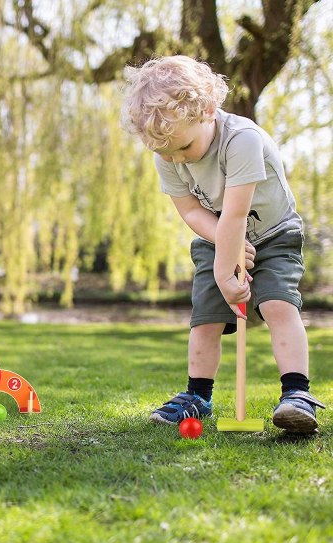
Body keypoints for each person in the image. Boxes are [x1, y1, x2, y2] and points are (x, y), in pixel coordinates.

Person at [120, 55, 325, 433]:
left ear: (208, 111)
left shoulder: (242, 140)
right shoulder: (167, 151)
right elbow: (191, 211)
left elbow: (235, 214)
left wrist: (228, 262)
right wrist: (223, 249)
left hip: (274, 235)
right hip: (216, 236)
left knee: (278, 304)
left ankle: (297, 393)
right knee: (206, 317)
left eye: (184, 148)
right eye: (167, 154)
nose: (177, 159)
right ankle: (197, 396)